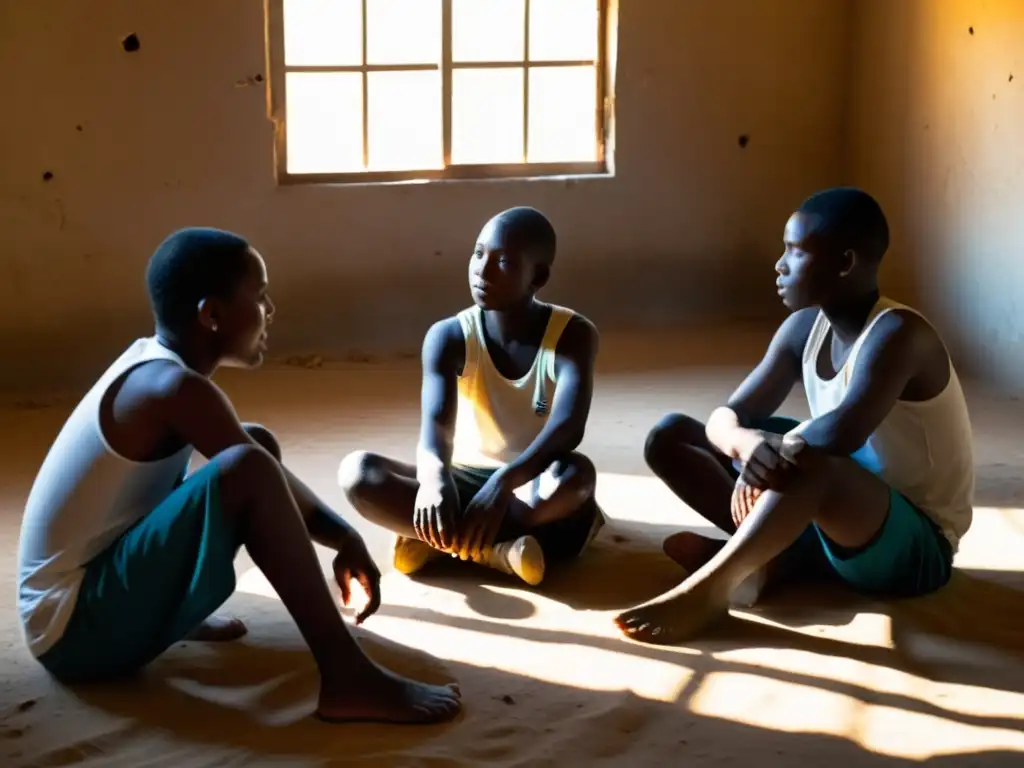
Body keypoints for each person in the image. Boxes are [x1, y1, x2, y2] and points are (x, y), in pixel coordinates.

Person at [16, 228, 461, 724]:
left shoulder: (156, 365)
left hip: (80, 602)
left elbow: (252, 461)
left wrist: (345, 536)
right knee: (246, 467)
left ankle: (172, 608)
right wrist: (340, 537)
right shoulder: (172, 387)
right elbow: (250, 475)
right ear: (212, 315)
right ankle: (347, 676)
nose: (271, 311)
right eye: (261, 297)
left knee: (254, 447)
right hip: (71, 632)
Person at [615, 187, 975, 645]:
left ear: (844, 263)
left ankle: (712, 587)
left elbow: (842, 432)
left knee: (809, 457)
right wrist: (746, 445)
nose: (779, 265)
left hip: (916, 547)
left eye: (794, 251)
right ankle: (777, 559)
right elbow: (727, 415)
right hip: (834, 505)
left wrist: (766, 461)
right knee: (671, 437)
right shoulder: (804, 327)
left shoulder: (900, 335)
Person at [340, 207, 604, 586]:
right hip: (462, 477)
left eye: (505, 262)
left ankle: (437, 541)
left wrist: (503, 484)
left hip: (529, 482)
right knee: (358, 474)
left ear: (538, 276)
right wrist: (434, 480)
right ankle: (496, 553)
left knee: (576, 477)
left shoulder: (573, 334)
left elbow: (568, 427)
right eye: (478, 253)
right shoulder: (448, 336)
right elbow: (435, 424)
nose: (482, 270)